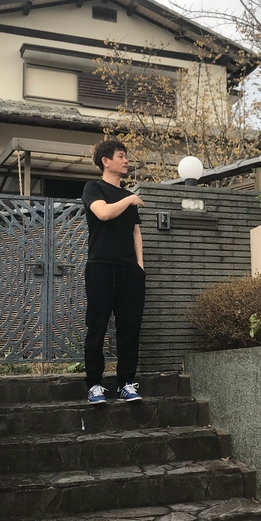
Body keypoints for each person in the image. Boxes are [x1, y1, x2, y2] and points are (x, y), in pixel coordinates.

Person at [82, 140, 146, 404]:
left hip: (129, 271)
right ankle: (94, 385)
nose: (126, 160)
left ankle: (126, 384)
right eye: (121, 156)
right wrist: (129, 199)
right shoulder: (93, 188)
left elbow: (135, 232)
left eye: (126, 156)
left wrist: (140, 267)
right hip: (101, 267)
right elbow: (104, 213)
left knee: (130, 329)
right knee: (97, 326)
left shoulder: (128, 195)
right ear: (105, 161)